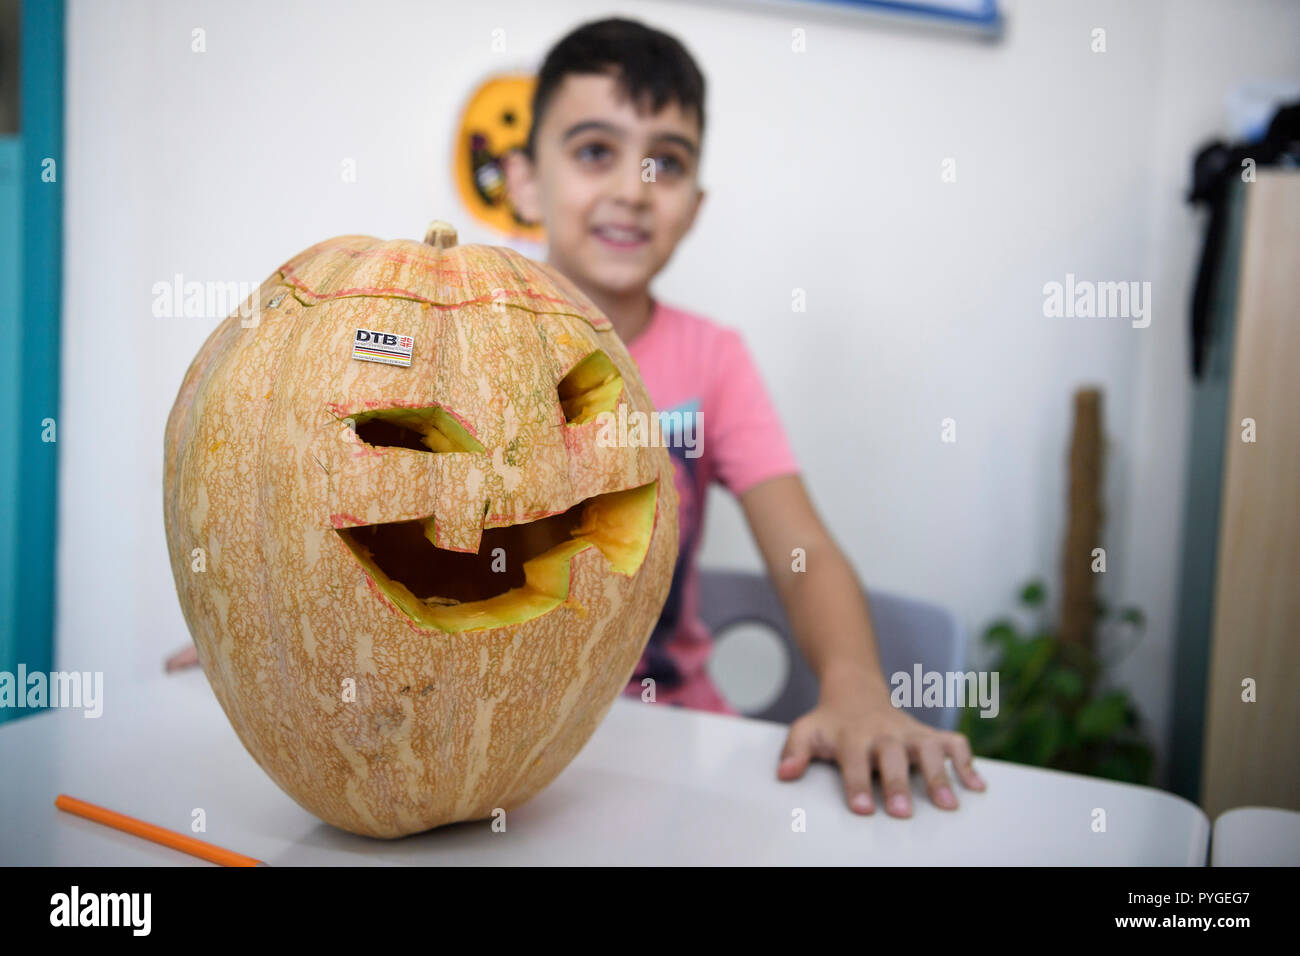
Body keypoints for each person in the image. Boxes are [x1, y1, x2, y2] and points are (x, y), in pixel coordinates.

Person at [501, 18, 985, 817]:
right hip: (495, 751)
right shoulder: (464, 339)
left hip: (672, 754)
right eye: (594, 151)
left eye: (667, 163)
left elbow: (805, 553)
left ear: (694, 205)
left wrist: (857, 689)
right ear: (524, 180)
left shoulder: (714, 362)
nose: (631, 187)